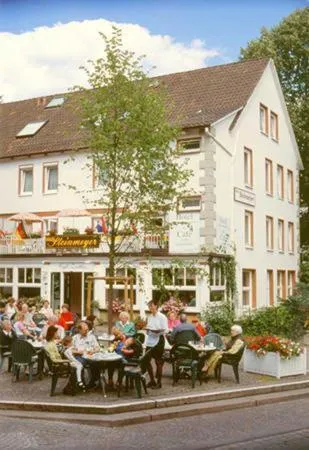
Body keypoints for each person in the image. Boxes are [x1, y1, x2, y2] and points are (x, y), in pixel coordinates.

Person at [45, 326, 85, 392]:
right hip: (58, 366)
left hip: (58, 364)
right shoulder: (51, 345)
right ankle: (72, 388)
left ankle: (73, 386)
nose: (58, 334)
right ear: (53, 334)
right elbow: (54, 360)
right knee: (79, 366)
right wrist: (67, 360)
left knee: (79, 365)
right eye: (56, 333)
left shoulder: (51, 343)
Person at [144, 300, 168, 389]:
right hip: (150, 340)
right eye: (149, 306)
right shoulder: (149, 317)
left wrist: (158, 330)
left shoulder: (162, 317)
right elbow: (148, 327)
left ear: (156, 306)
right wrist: (147, 329)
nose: (150, 308)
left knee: (158, 361)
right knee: (146, 360)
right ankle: (152, 380)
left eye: (152, 306)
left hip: (159, 340)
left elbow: (166, 330)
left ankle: (159, 382)